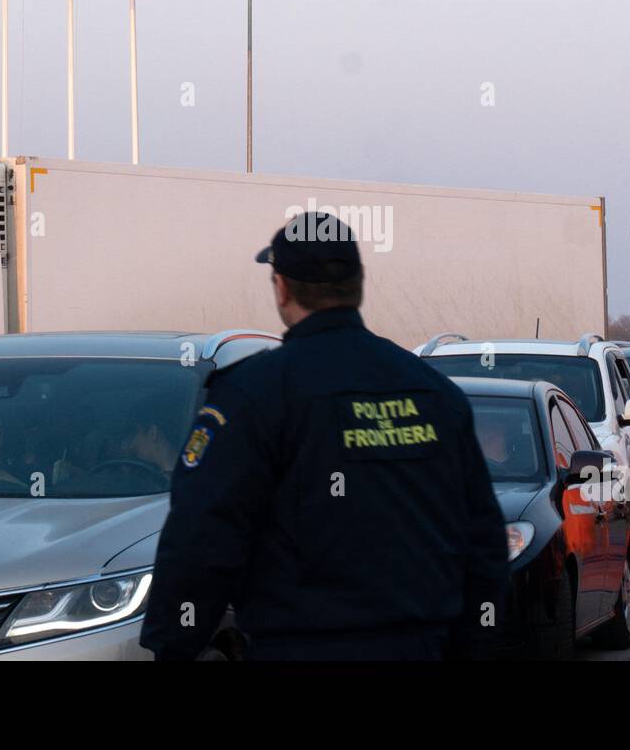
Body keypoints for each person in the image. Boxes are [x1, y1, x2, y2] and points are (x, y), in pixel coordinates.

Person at [140, 212, 509, 661]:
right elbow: (484, 542)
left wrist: (172, 645)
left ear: (281, 287)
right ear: (359, 282)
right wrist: (478, 642)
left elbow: (203, 538)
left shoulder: (253, 395)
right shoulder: (436, 395)